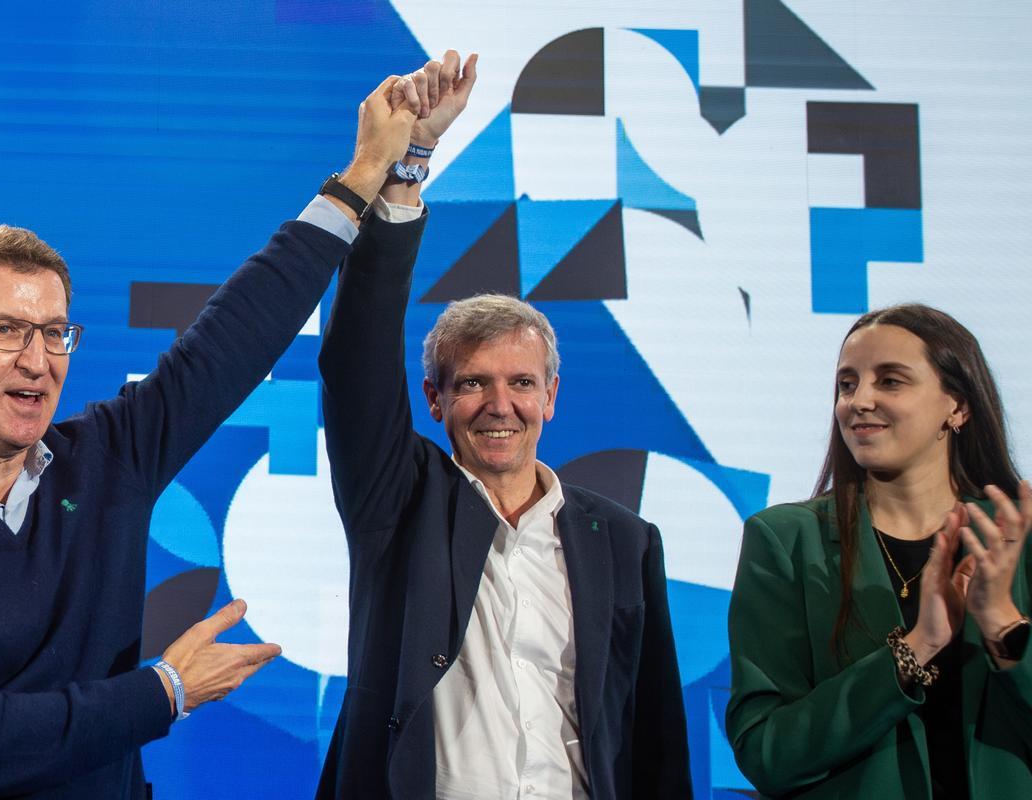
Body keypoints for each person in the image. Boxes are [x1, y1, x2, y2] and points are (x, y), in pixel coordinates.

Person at [0, 71, 427, 798]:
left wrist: (368, 174)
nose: (38, 360)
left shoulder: (106, 458)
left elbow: (232, 337)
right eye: (4, 331)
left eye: (55, 333)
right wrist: (165, 691)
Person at [317, 50, 692, 799]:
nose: (500, 405)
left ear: (552, 395)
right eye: (474, 384)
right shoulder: (399, 504)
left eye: (521, 383)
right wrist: (406, 170)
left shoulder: (622, 540)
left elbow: (653, 736)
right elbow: (355, 358)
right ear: (434, 398)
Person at [726, 304, 1032, 798]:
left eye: (890, 381)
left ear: (957, 406)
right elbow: (768, 752)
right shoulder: (784, 540)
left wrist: (1001, 624)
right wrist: (917, 648)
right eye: (848, 384)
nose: (859, 401)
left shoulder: (1019, 537)